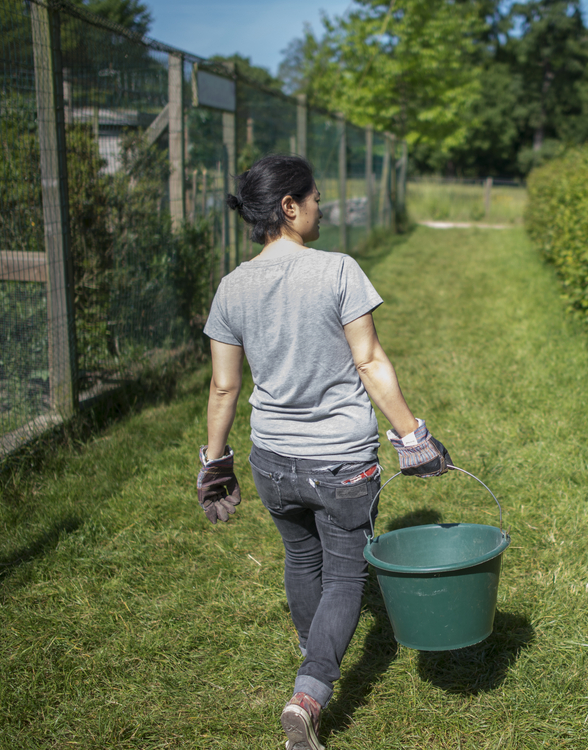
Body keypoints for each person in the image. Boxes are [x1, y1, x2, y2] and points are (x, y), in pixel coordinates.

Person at [195, 154, 450, 750]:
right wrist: (413, 437)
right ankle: (310, 692)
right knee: (344, 573)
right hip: (341, 462)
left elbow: (224, 387)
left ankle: (314, 654)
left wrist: (214, 463)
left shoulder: (232, 287)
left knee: (301, 558)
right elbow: (369, 361)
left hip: (271, 461)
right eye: (314, 199)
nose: (321, 208)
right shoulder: (338, 270)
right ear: (289, 207)